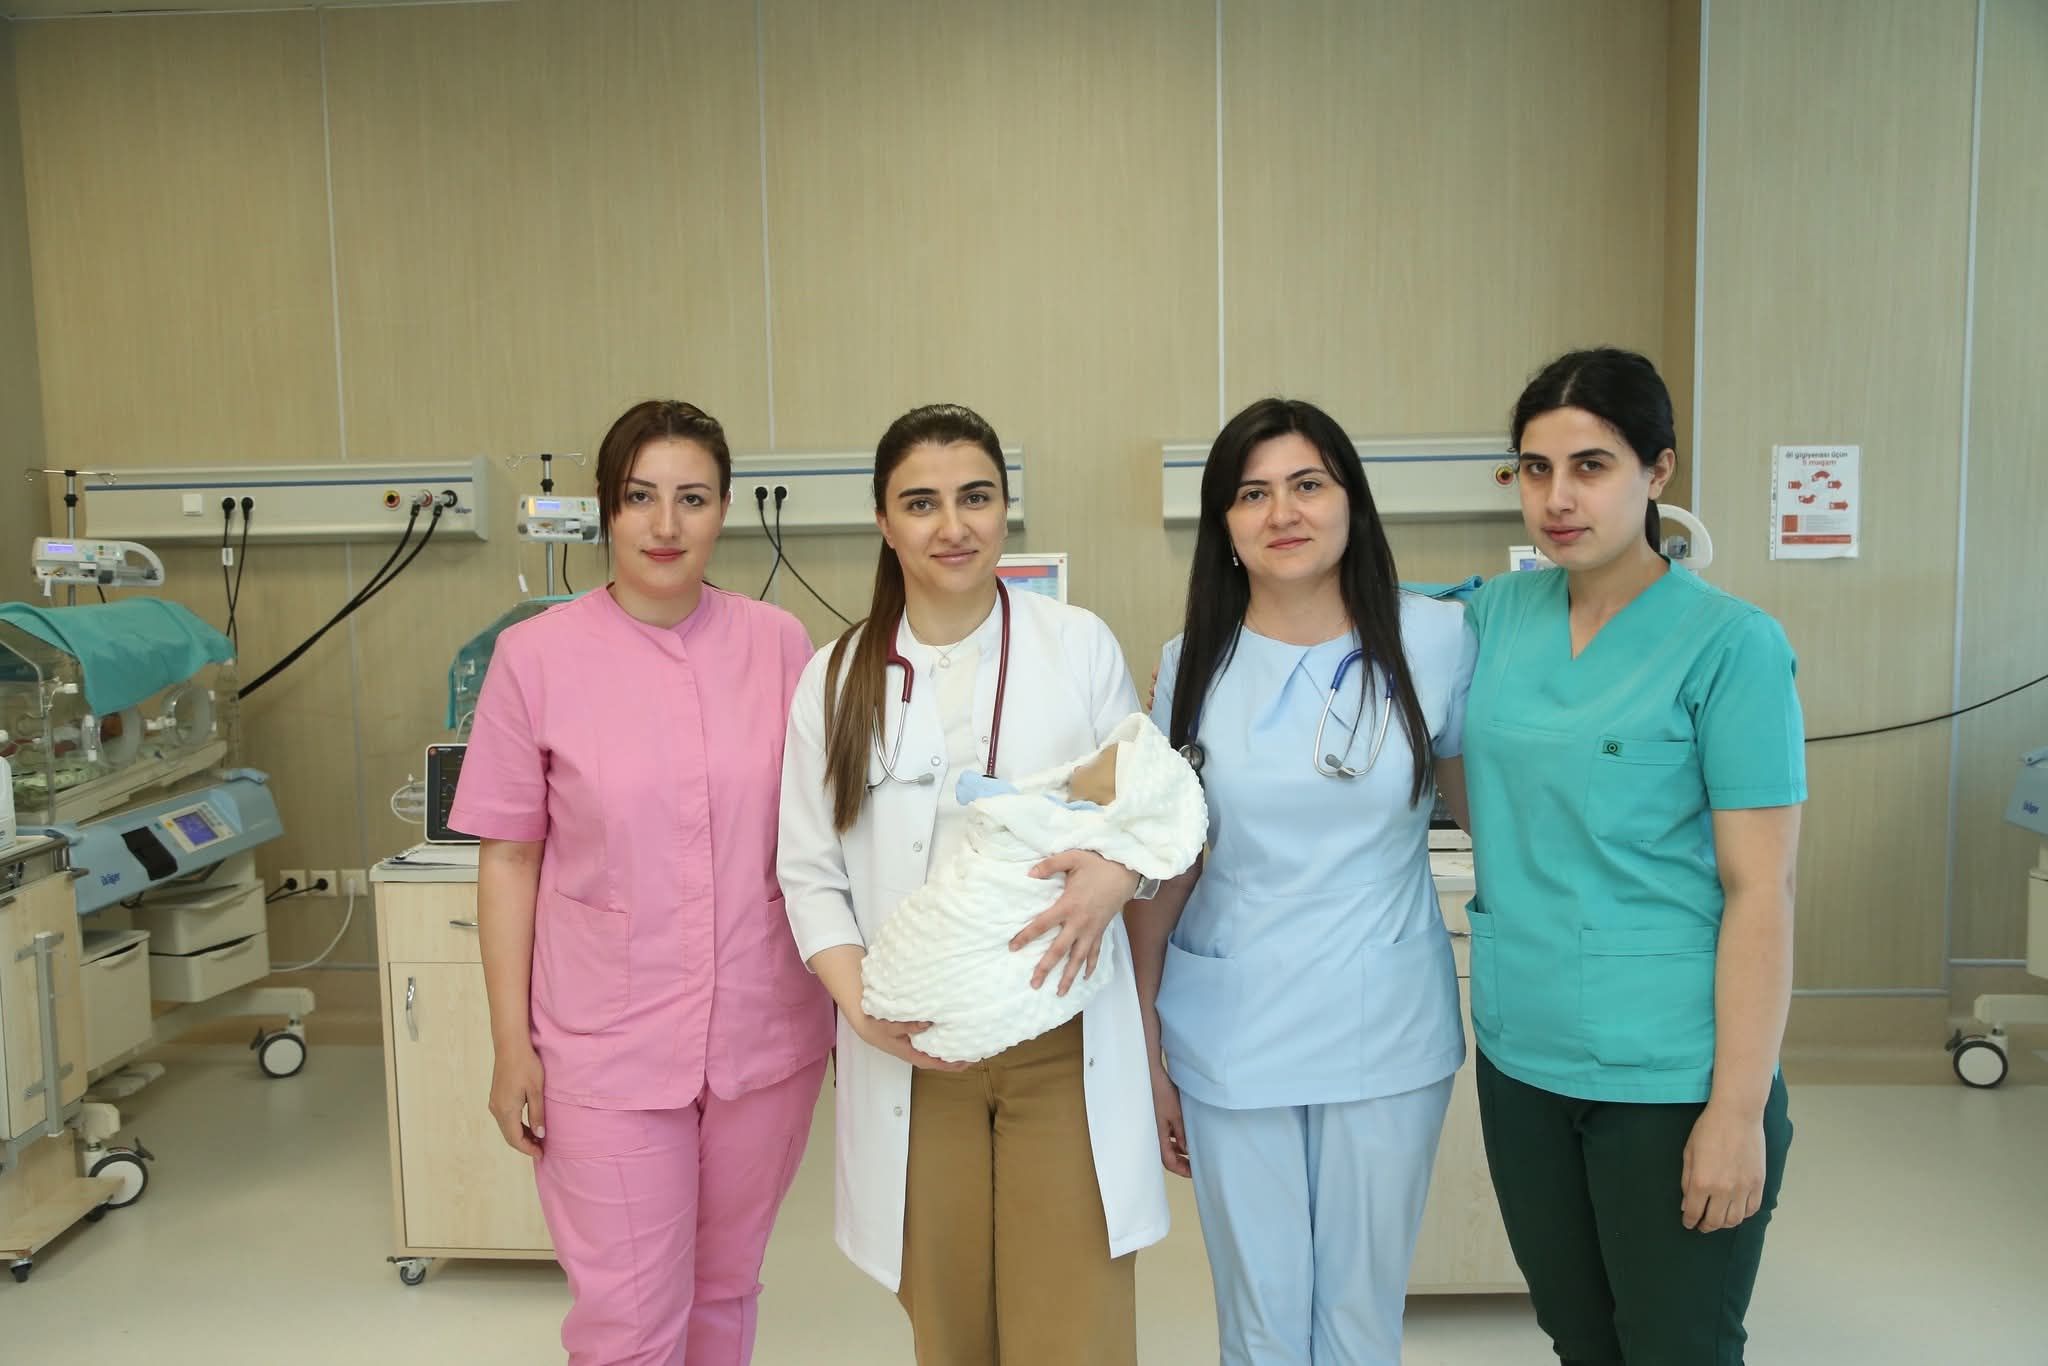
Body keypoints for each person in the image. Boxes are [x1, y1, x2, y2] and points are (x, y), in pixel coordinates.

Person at [777, 402, 1170, 1366]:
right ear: (884, 521)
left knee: (1073, 1325)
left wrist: (1115, 875)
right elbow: (809, 872)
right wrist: (862, 1012)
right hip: (916, 1046)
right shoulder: (834, 678)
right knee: (950, 1326)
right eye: (921, 503)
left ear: (1005, 508)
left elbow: (1144, 805)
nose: (952, 526)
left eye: (975, 497)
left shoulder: (1076, 645)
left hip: (1058, 1031)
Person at [451, 399, 833, 1366]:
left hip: (763, 1036)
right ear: (606, 510)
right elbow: (510, 857)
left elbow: (822, 837)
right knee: (627, 1321)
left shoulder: (779, 645)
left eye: (692, 499)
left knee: (725, 1291)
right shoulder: (535, 658)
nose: (666, 525)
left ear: (724, 509)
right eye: (640, 497)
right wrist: (510, 1046)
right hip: (603, 1045)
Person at [1449, 347, 1803, 1365]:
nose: (1557, 498)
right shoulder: (1489, 617)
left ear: (1657, 470)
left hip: (1670, 1073)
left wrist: (1736, 1109)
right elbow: (1335, 614)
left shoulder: (1729, 645)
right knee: (1577, 1337)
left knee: (1675, 1345)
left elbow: (1761, 888)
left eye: (1590, 466)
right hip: (1521, 1055)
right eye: (1534, 469)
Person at [1128, 396, 1475, 1366]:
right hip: (1230, 1028)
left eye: (1307, 484)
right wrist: (1144, 1043)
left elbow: (1492, 818)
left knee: (1360, 1320)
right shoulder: (1189, 664)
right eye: (1251, 493)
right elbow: (1166, 871)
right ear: (1224, 524)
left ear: (1351, 500)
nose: (1281, 511)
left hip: (1384, 1024)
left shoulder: (1436, 640)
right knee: (1260, 1323)